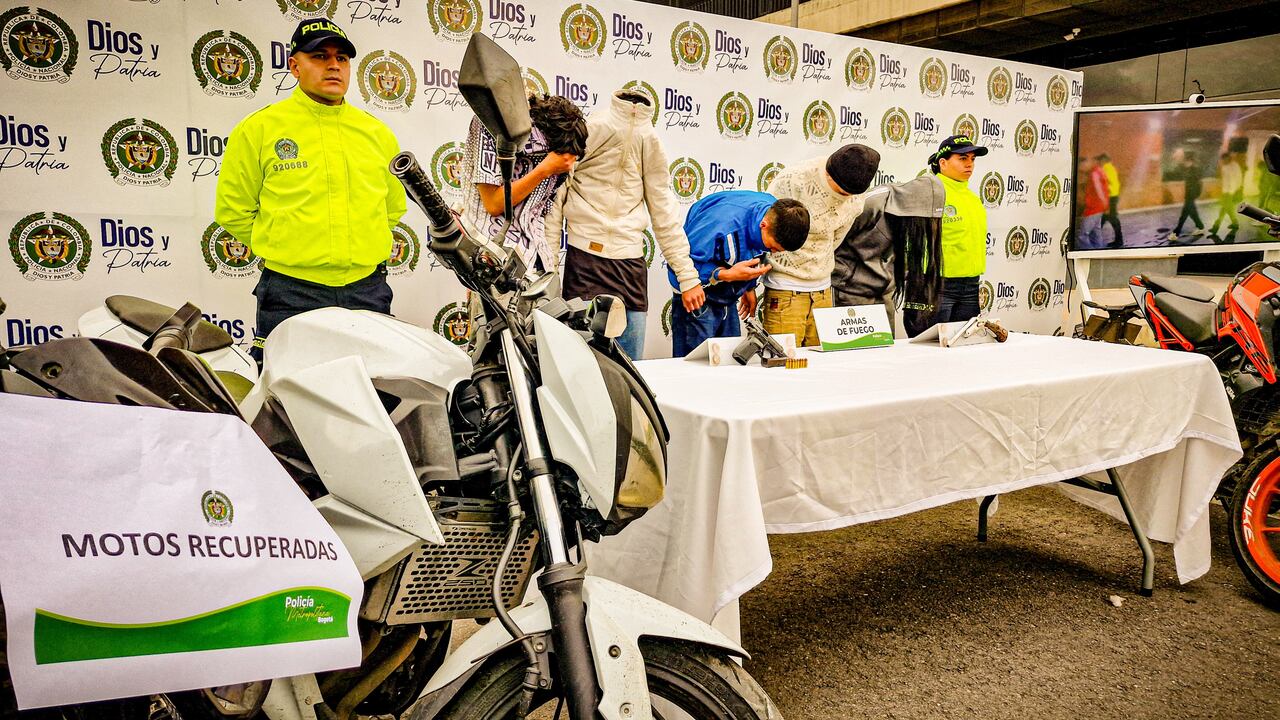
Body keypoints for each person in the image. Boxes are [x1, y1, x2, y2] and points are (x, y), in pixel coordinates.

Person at [215, 19, 406, 363]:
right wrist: (286, 243)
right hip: (291, 293)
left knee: (373, 398)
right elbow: (233, 210)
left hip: (367, 290)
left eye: (342, 58)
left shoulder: (378, 133)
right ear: (294, 66)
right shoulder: (259, 128)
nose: (334, 65)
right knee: (287, 404)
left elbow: (392, 208)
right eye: (319, 55)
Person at [546, 89, 704, 360]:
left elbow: (664, 210)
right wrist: (549, 272)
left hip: (630, 264)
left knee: (632, 367)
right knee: (582, 364)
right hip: (586, 260)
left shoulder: (650, 139)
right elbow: (556, 196)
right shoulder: (594, 127)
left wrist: (688, 277)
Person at [762, 144, 880, 347]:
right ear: (829, 174)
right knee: (781, 362)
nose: (847, 198)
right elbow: (765, 228)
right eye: (842, 193)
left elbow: (837, 238)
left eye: (852, 194)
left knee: (820, 367)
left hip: (824, 289)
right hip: (785, 289)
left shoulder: (856, 192)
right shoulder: (794, 179)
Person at [668, 191, 809, 356]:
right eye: (773, 248)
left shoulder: (774, 211)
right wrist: (724, 275)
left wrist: (748, 287)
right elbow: (681, 262)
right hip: (697, 298)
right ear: (764, 225)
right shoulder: (719, 222)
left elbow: (752, 249)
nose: (774, 253)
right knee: (695, 367)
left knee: (728, 363)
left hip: (728, 298)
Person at [462, 94, 586, 273]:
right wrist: (543, 170)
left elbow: (540, 215)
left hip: (533, 261)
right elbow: (494, 203)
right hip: (492, 259)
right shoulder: (492, 126)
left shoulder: (557, 165)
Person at [832, 174, 945, 337]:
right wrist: (844, 274)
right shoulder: (871, 204)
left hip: (884, 292)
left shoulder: (912, 216)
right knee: (854, 353)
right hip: (851, 292)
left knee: (883, 350)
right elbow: (835, 238)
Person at [926, 135, 988, 327]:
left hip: (970, 285)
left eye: (972, 159)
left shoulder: (972, 198)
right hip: (938, 284)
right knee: (929, 348)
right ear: (943, 163)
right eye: (962, 159)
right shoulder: (929, 192)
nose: (969, 164)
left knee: (964, 349)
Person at [1078, 155, 1110, 250]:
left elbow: (1099, 189)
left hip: (1093, 208)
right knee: (1096, 232)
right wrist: (1105, 204)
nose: (1082, 167)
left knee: (1083, 235)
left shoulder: (1094, 173)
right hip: (1099, 207)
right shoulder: (1101, 172)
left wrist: (1104, 203)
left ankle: (1089, 251)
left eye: (1083, 164)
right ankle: (1099, 251)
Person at [1172, 150, 1205, 238]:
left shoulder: (1195, 169)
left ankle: (1176, 232)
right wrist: (1176, 158)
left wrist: (1197, 194)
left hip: (1192, 194)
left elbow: (1200, 182)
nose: (1184, 162)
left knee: (1184, 214)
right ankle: (1200, 227)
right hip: (1188, 194)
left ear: (1189, 160)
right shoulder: (1186, 169)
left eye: (1185, 160)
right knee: (1191, 212)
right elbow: (1178, 166)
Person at [1210, 151, 1243, 238]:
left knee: (1224, 208)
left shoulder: (1235, 165)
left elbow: (1239, 178)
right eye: (1222, 160)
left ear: (1228, 158)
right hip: (1225, 191)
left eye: (1224, 159)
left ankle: (1215, 227)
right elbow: (1224, 179)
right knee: (1226, 208)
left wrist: (1236, 189)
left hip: (1231, 191)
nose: (1223, 161)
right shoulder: (1224, 167)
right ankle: (1235, 223)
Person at [1097, 153, 1124, 247]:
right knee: (1105, 219)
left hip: (1109, 198)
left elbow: (1106, 185)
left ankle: (1119, 241)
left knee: (1111, 219)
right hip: (1112, 197)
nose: (1099, 162)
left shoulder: (1106, 169)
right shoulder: (1111, 168)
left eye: (1100, 160)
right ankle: (1118, 240)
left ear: (1104, 160)